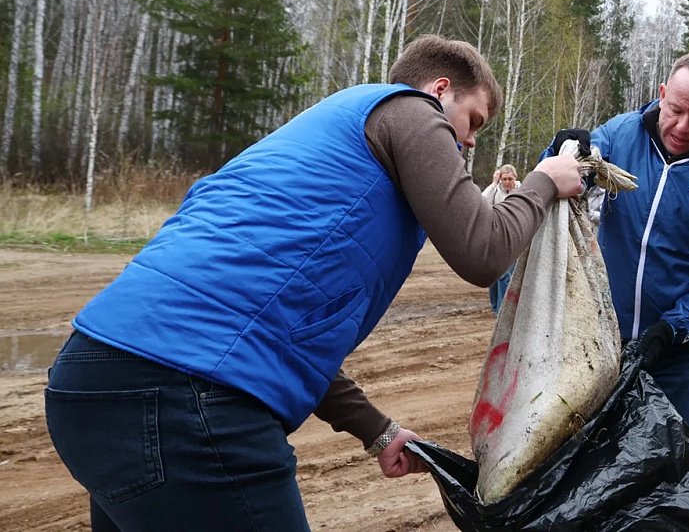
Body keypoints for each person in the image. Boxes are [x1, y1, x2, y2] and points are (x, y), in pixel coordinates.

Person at [44, 35, 583, 532]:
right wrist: (544, 182)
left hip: (91, 384)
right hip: (185, 397)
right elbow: (482, 250)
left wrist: (376, 429)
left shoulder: (325, 152)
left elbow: (270, 330)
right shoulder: (410, 110)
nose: (467, 143)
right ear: (439, 90)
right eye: (473, 121)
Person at [541, 52, 689, 451]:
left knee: (673, 471)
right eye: (675, 109)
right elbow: (565, 171)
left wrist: (669, 330)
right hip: (602, 344)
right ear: (661, 94)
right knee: (592, 464)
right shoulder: (622, 135)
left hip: (679, 355)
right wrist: (560, 149)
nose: (682, 126)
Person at [481, 164, 520, 314]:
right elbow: (482, 201)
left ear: (515, 178)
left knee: (505, 275)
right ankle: (495, 306)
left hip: (513, 238)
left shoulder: (521, 190)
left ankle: (502, 311)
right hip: (496, 237)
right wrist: (493, 183)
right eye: (504, 179)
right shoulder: (496, 190)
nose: (507, 182)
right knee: (494, 275)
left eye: (510, 179)